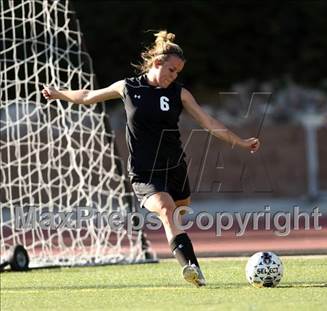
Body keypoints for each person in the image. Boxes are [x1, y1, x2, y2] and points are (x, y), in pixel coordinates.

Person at [41, 30, 260, 287]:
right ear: (157, 63)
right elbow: (89, 96)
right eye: (171, 70)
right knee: (167, 211)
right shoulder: (128, 87)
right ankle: (193, 270)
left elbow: (208, 122)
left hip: (176, 167)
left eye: (178, 72)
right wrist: (59, 94)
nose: (174, 75)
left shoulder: (179, 93)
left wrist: (241, 142)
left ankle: (181, 246)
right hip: (145, 172)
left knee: (178, 214)